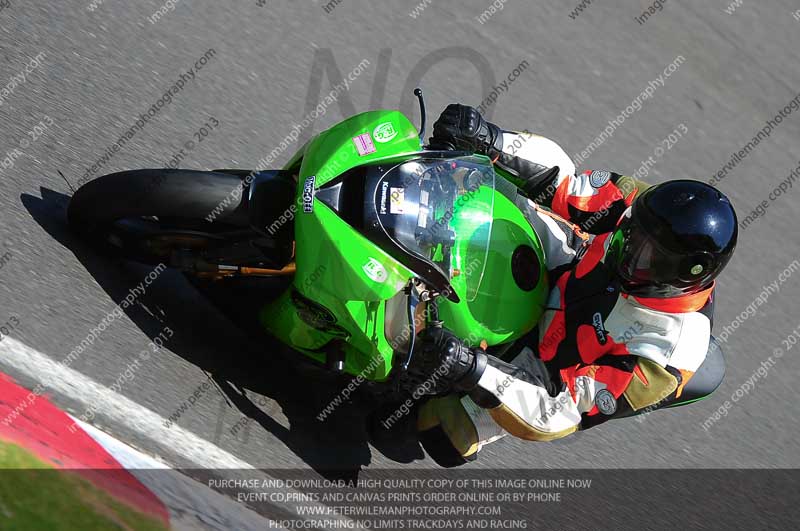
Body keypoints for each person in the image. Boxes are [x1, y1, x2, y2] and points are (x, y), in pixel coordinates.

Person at [404, 104, 738, 464]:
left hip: (550, 367)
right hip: (567, 265)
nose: (628, 253)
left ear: (685, 276)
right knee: (477, 175)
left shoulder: (664, 358)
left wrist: (473, 369)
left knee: (440, 431)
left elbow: (563, 409)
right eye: (632, 235)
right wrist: (490, 138)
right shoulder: (646, 204)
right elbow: (564, 182)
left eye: (647, 257)